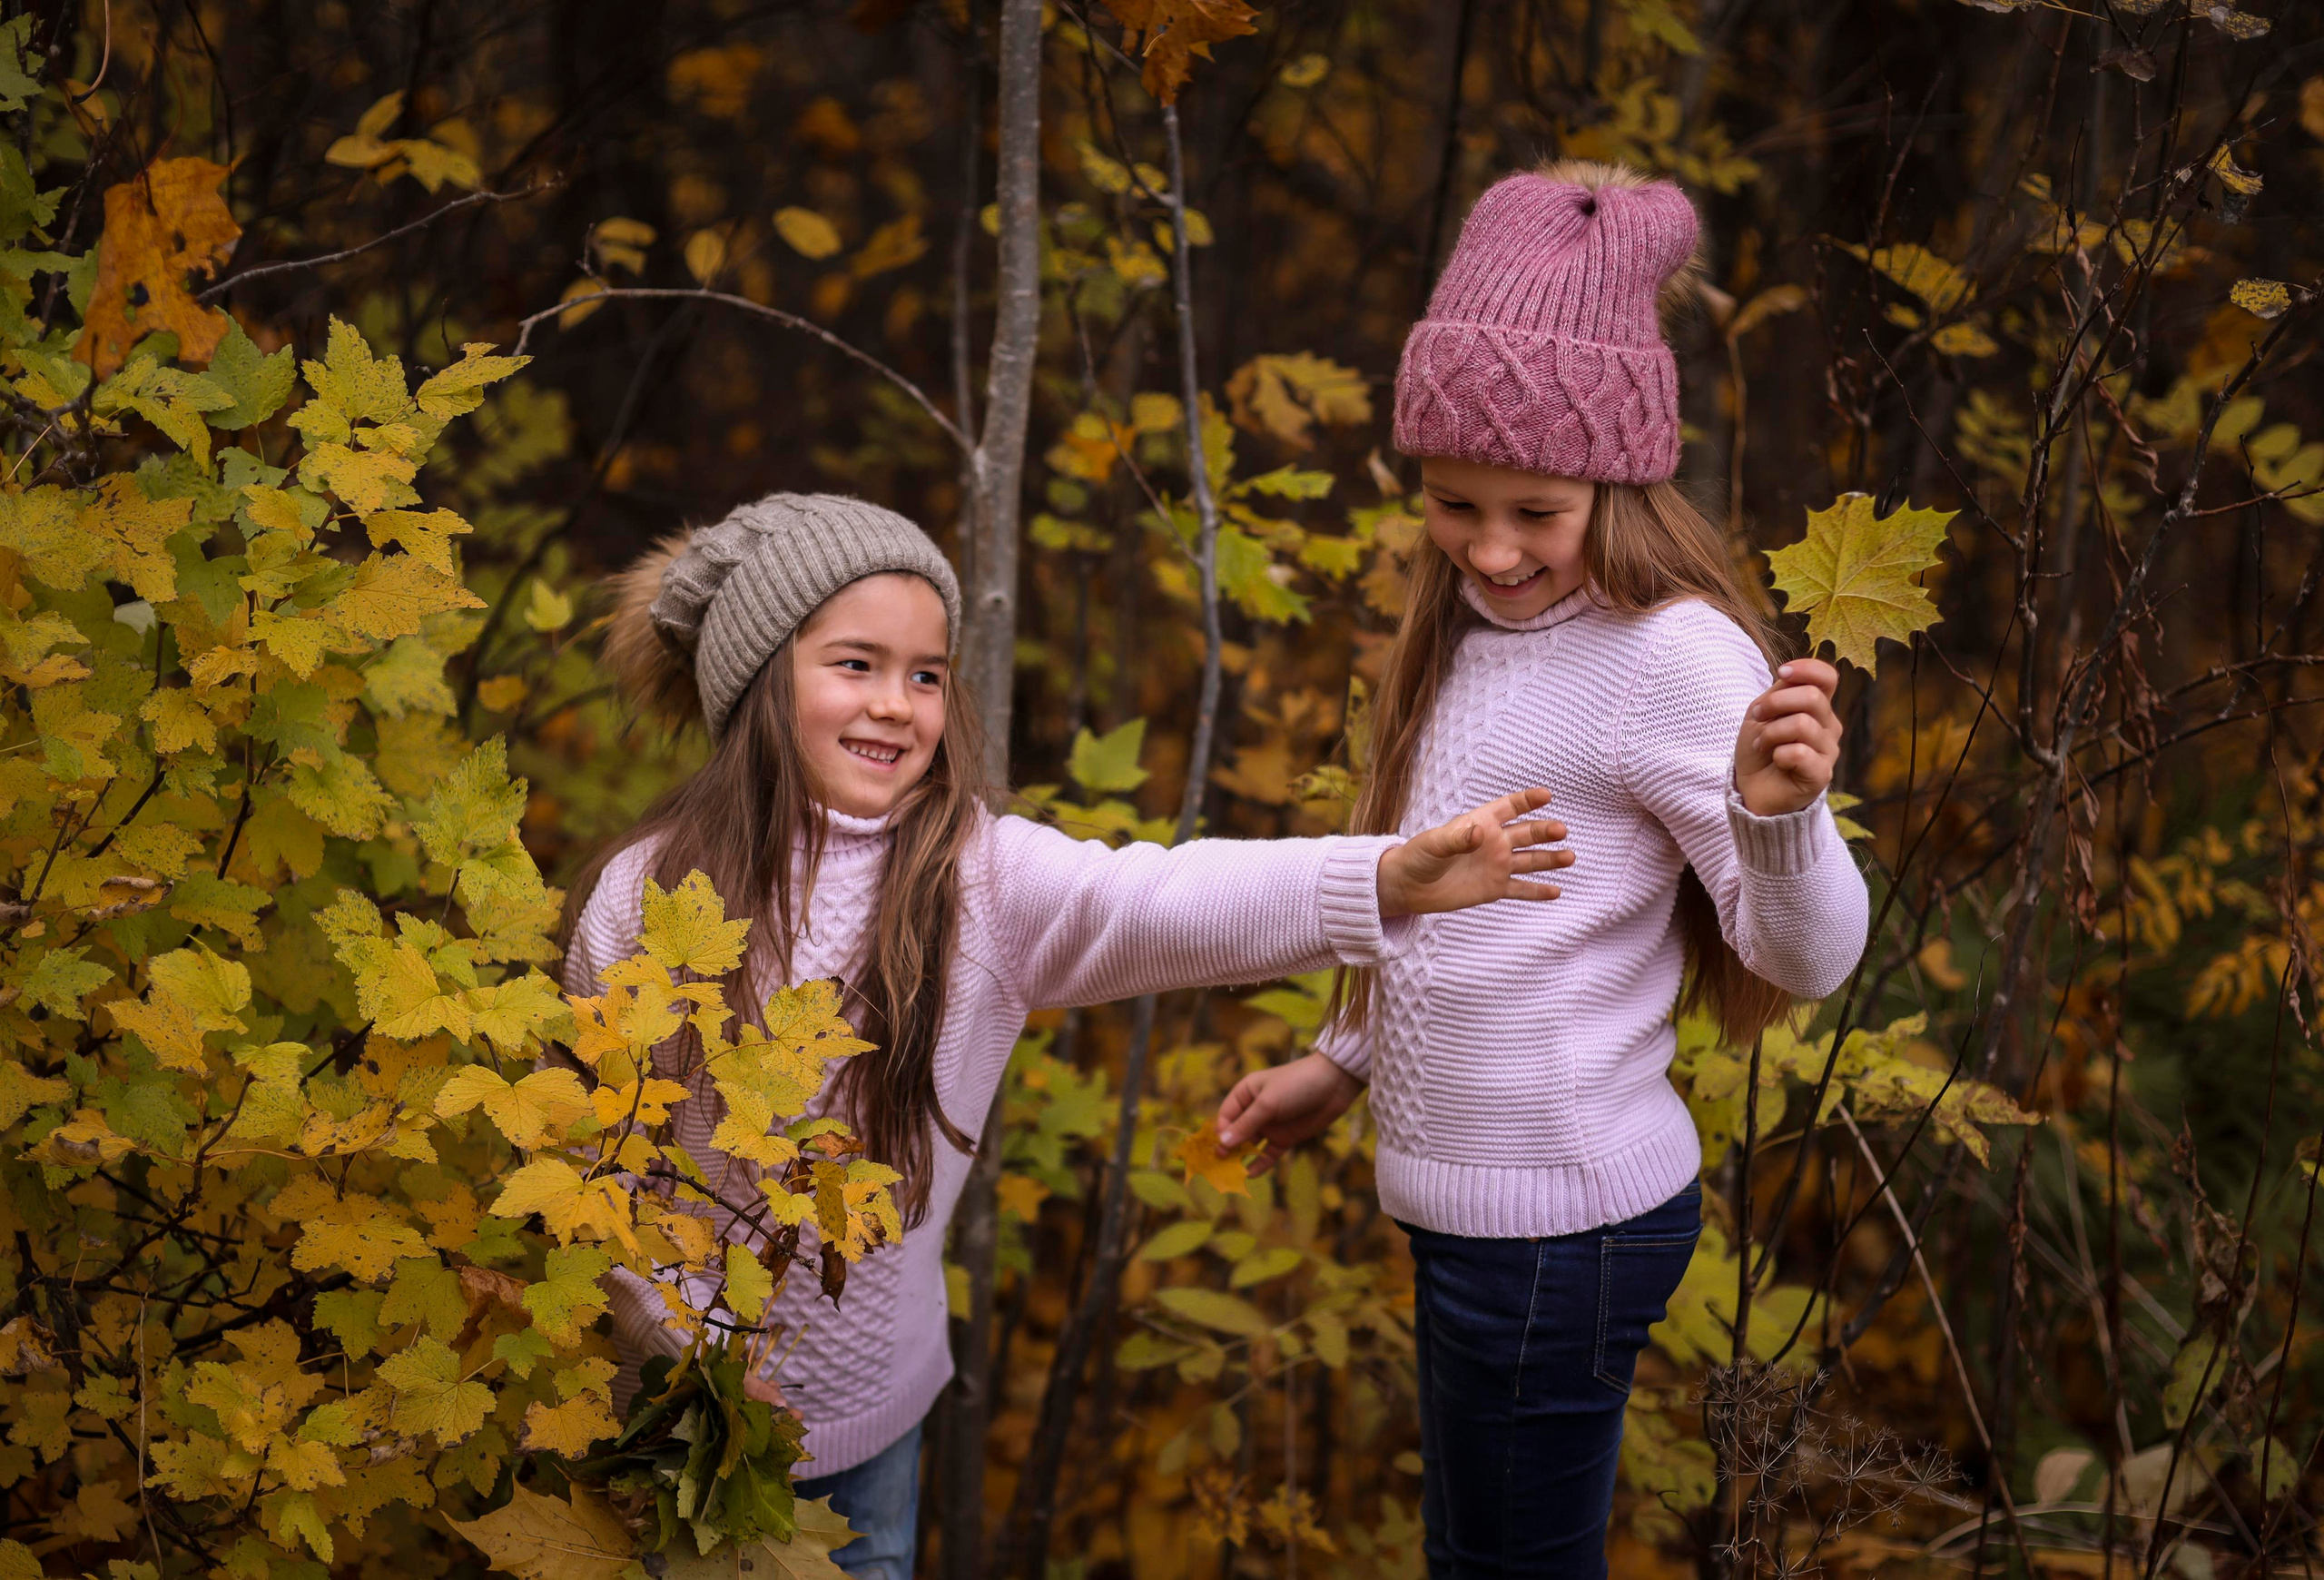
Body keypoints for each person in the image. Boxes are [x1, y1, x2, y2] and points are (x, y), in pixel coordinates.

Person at [558, 492, 1579, 1580]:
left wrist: (1383, 878)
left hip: (870, 1428)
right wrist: (691, 1356)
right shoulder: (644, 897)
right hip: (677, 1422)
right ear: (758, 679)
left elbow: (1159, 900)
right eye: (855, 665)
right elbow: (591, 1164)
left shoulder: (975, 877)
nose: (896, 705)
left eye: (926, 675)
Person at [1214, 161, 1872, 1577]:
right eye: (1454, 503)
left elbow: (1809, 958)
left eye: (1536, 510)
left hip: (1560, 1230)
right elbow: (1451, 909)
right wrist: (1343, 1058)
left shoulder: (1666, 656)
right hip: (1483, 1223)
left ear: (1617, 482)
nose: (1492, 548)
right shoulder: (1467, 627)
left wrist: (1779, 820)